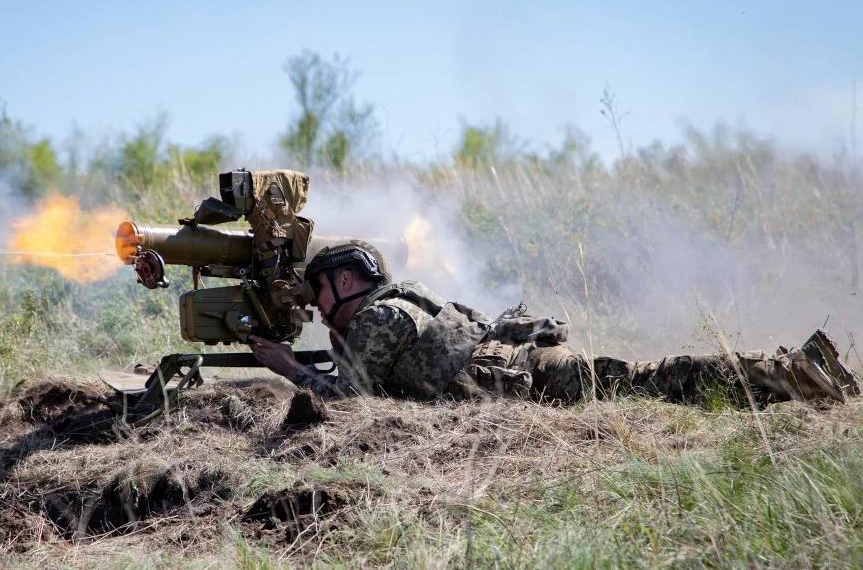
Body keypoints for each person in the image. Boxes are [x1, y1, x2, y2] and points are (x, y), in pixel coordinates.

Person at [248, 241, 860, 406]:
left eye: (320, 289)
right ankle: (795, 371)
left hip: (529, 382)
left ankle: (793, 374)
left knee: (658, 380)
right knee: (650, 378)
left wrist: (289, 366)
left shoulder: (379, 314)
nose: (317, 302)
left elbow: (352, 398)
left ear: (347, 281)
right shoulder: (410, 298)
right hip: (525, 369)